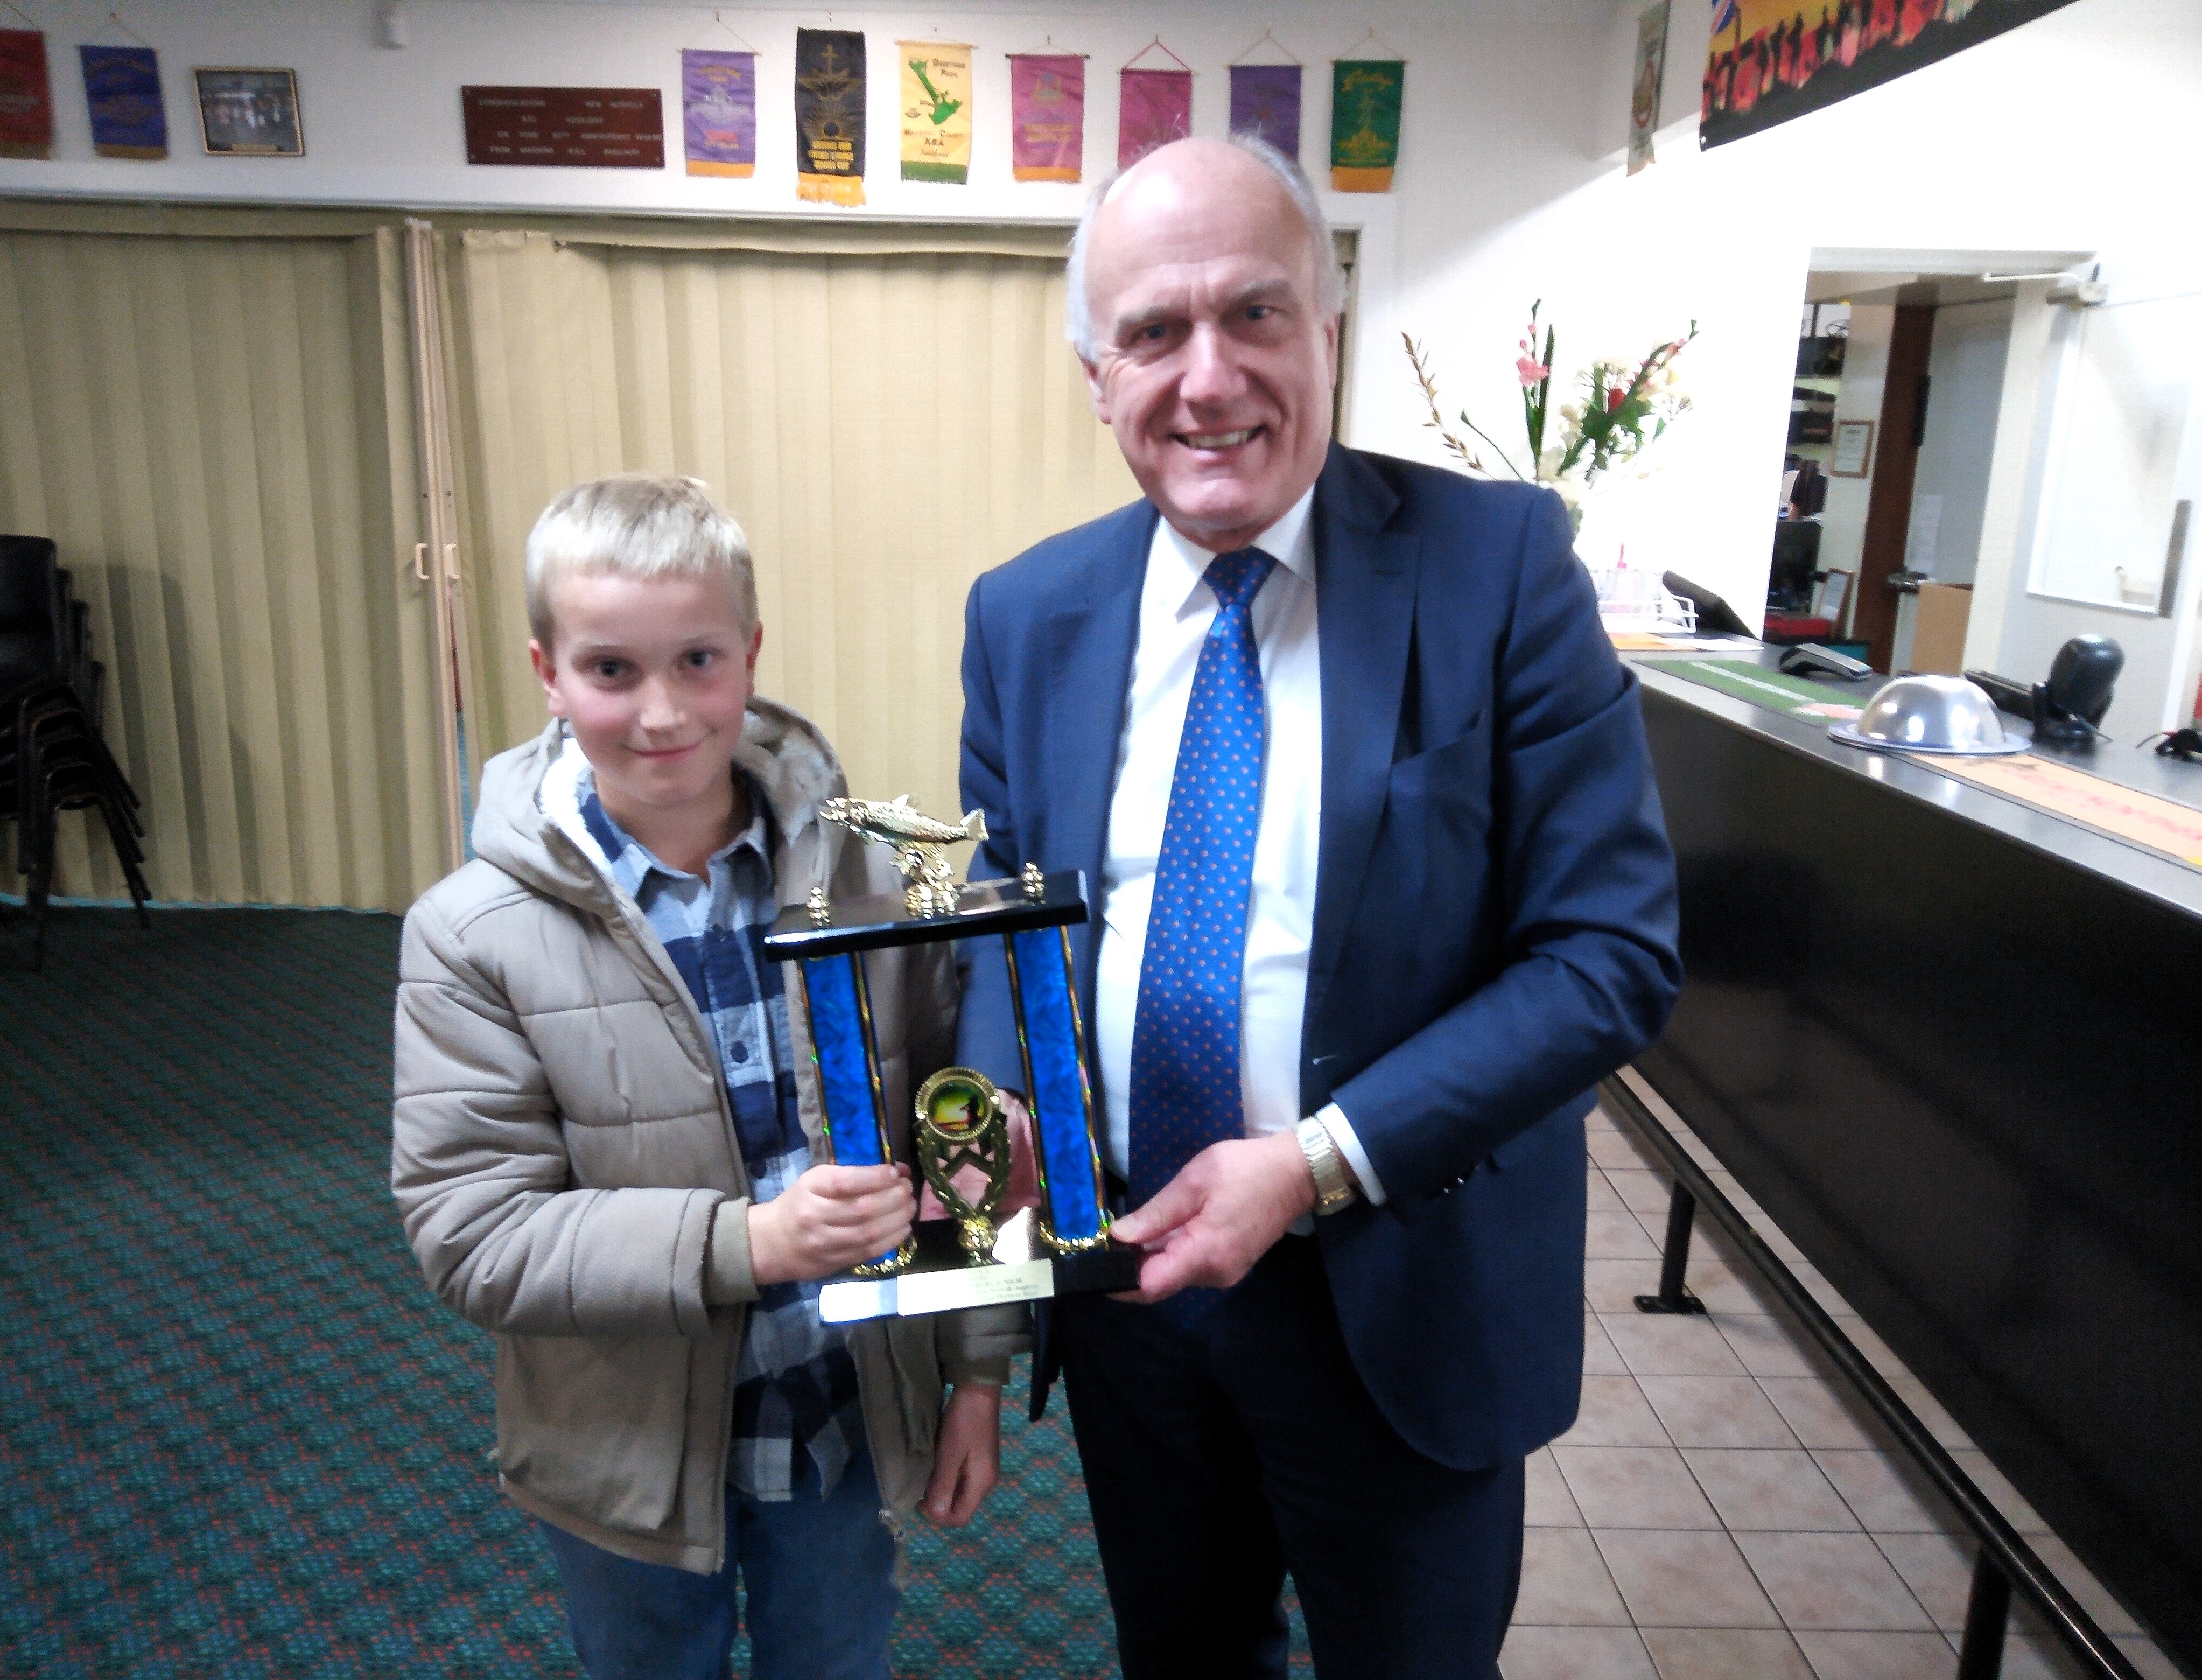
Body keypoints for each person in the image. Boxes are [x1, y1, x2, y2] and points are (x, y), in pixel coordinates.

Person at [953, 137, 1681, 1679]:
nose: (1207, 379)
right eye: (1154, 332)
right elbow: (1007, 915)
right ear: (1098, 374)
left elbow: (1609, 958)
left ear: (1329, 333)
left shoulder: (1499, 570)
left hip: (1403, 1287)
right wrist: (998, 1116)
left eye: (1255, 315)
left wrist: (1315, 1164)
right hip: (1133, 1297)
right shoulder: (1026, 617)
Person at [392, 474, 1022, 1680]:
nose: (662, 712)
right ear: (545, 670)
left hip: (841, 1416)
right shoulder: (468, 935)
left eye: (697, 659)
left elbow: (967, 1133)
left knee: (836, 1661)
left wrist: (976, 1376)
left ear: (752, 653)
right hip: (618, 1454)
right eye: (610, 670)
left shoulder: (883, 881)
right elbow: (472, 1234)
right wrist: (752, 1245)